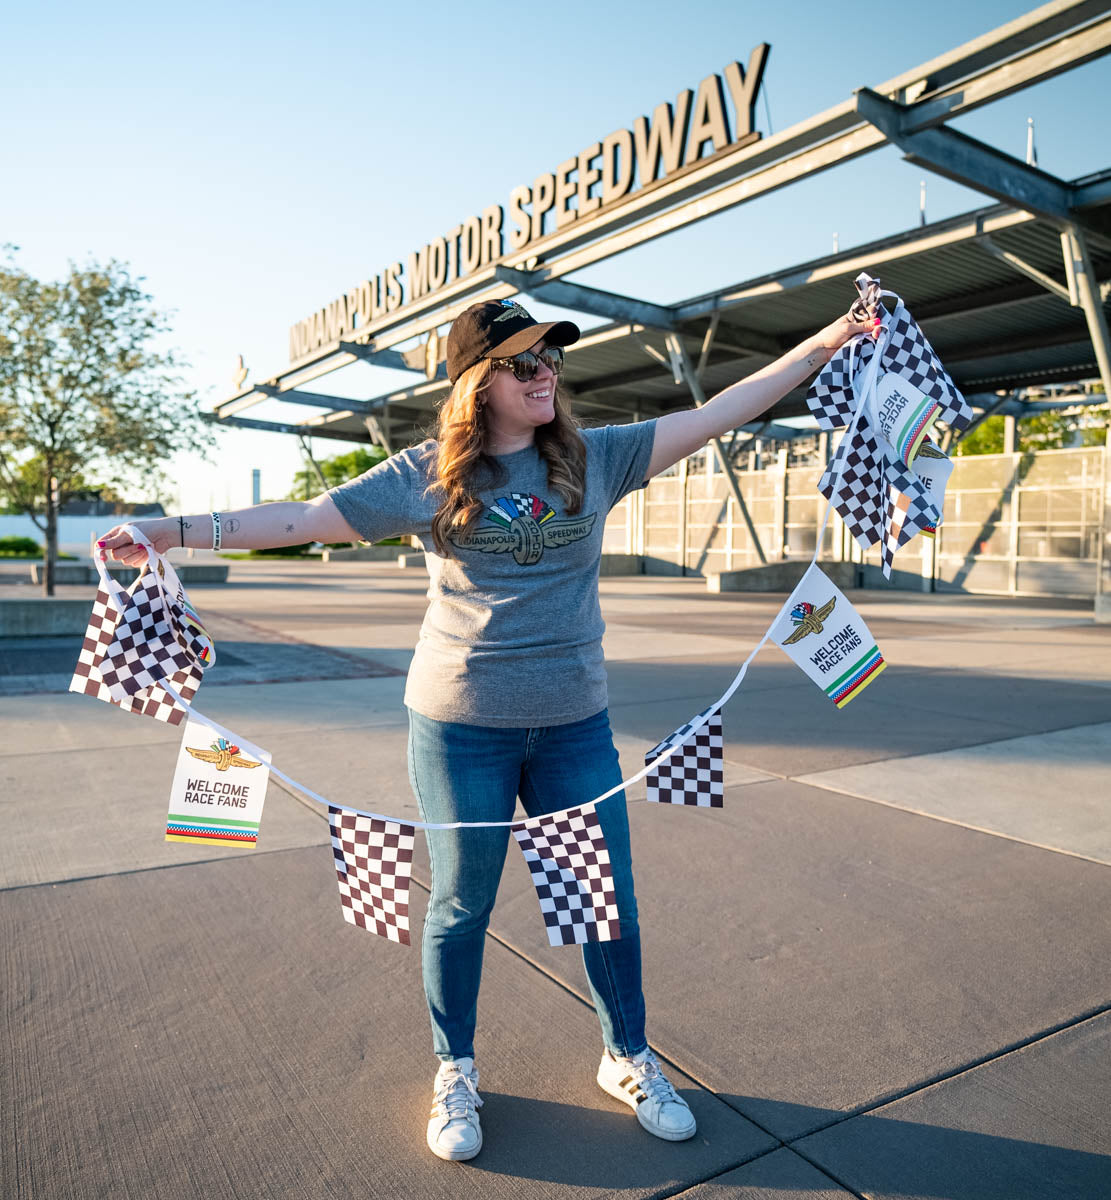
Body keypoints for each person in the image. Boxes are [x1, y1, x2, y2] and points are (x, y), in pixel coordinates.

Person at [100, 297, 878, 1162]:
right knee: (462, 902)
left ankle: (627, 1058)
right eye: (522, 362)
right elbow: (300, 521)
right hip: (459, 729)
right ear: (478, 381)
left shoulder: (598, 456)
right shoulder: (430, 475)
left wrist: (831, 338)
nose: (544, 372)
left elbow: (721, 408)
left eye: (550, 358)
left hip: (575, 727)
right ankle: (456, 1069)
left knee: (599, 899)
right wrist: (168, 531)